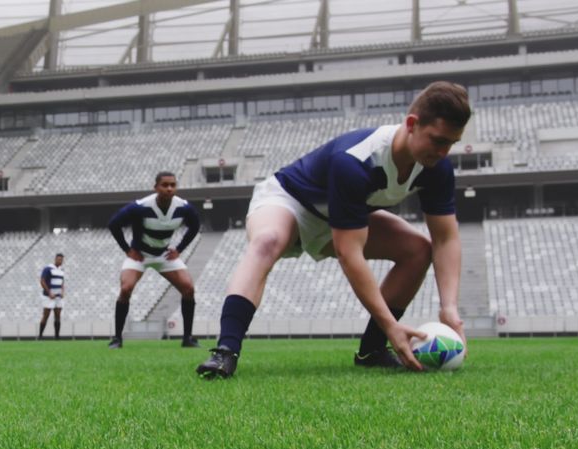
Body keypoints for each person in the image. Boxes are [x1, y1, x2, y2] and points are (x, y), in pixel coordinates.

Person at [197, 81, 471, 379]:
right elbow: (348, 252)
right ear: (411, 124)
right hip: (290, 201)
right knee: (267, 241)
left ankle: (372, 351)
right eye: (437, 140)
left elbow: (445, 238)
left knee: (418, 250)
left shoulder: (436, 168)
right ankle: (225, 352)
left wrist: (449, 309)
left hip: (337, 217)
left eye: (451, 144)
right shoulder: (355, 161)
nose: (444, 152)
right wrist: (392, 325)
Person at [106, 171, 201, 349]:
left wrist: (179, 249)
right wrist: (128, 250)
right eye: (165, 185)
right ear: (156, 187)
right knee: (125, 289)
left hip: (164, 255)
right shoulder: (140, 207)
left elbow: (195, 226)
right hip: (140, 256)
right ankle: (117, 339)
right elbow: (114, 224)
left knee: (188, 289)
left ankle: (188, 338)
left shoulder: (184, 207)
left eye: (173, 185)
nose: (169, 189)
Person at [38, 253, 65, 339]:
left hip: (58, 296)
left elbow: (62, 282)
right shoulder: (48, 268)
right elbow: (42, 281)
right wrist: (49, 292)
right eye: (59, 259)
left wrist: (63, 291)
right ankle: (40, 336)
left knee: (58, 315)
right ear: (55, 259)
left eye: (62, 260)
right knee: (46, 315)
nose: (60, 261)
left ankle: (57, 336)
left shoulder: (61, 270)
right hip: (48, 296)